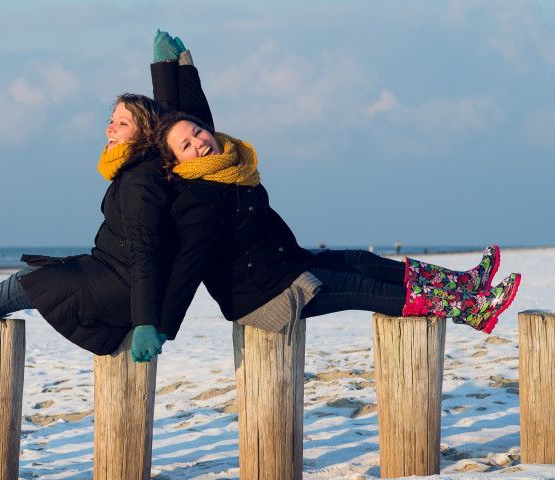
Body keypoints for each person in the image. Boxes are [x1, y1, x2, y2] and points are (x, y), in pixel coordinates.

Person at [0, 33, 212, 355]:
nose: (110, 128)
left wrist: (146, 323)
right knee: (30, 278)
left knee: (30, 283)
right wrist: (170, 67)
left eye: (122, 123)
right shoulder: (143, 161)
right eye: (111, 120)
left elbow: (144, 253)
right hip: (107, 273)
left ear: (144, 133)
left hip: (121, 288)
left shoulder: (142, 179)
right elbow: (177, 119)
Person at [148, 88, 521, 355]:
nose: (198, 142)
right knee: (362, 286)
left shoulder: (228, 171)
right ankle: (473, 309)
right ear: (177, 163)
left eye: (198, 132)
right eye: (186, 145)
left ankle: (464, 284)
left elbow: (187, 110)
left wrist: (174, 65)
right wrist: (162, 328)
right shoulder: (197, 199)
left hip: (289, 265)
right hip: (268, 295)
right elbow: (188, 264)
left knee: (363, 259)